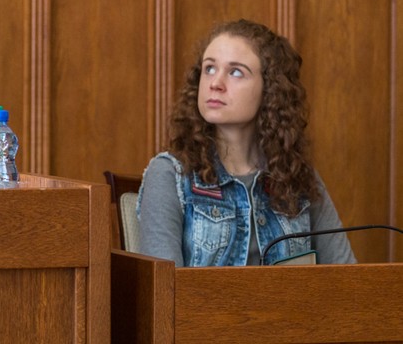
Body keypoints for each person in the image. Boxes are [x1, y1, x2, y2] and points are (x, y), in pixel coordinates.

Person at [137, 19, 356, 266]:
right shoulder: (170, 174)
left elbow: (346, 280)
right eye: (209, 68)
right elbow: (162, 296)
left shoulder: (298, 178)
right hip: (203, 307)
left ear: (270, 90)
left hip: (289, 306)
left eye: (236, 72)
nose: (215, 83)